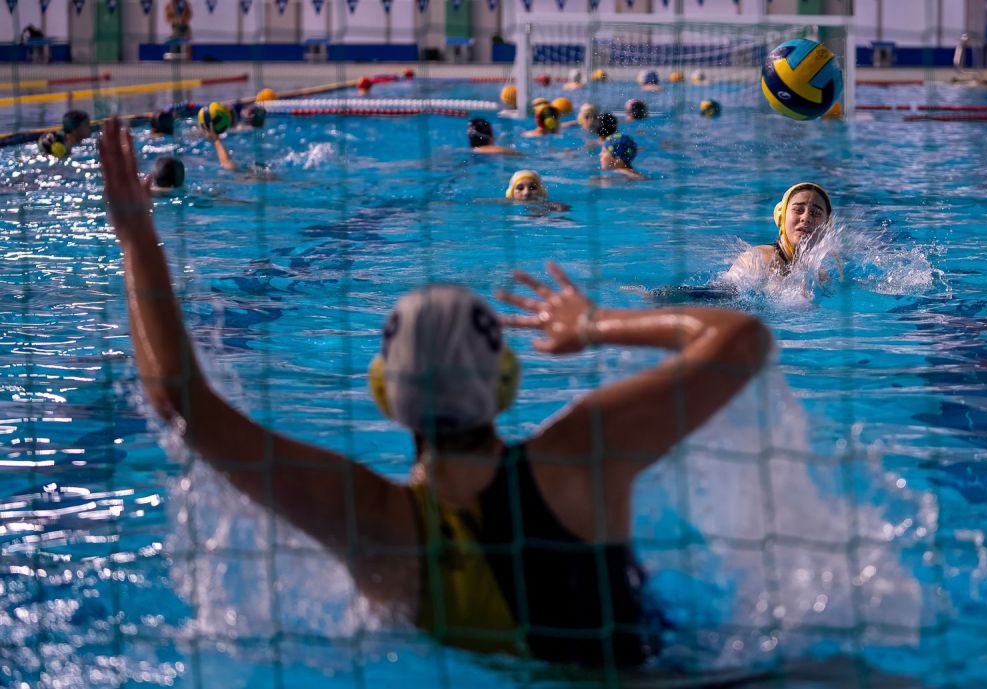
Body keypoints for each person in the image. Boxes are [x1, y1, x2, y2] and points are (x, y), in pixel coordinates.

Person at [96, 118, 770, 669]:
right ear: (506, 384)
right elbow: (742, 341)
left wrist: (135, 237)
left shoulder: (374, 520)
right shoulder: (580, 454)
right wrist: (594, 323)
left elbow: (183, 404)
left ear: (387, 396)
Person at [727, 182, 842, 280]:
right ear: (782, 217)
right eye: (798, 210)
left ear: (827, 226)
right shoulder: (758, 260)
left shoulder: (820, 275)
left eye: (816, 213)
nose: (806, 218)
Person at [504, 169, 569, 212]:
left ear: (541, 191)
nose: (526, 193)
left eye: (532, 187)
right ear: (511, 193)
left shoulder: (548, 206)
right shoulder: (504, 204)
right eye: (520, 188)